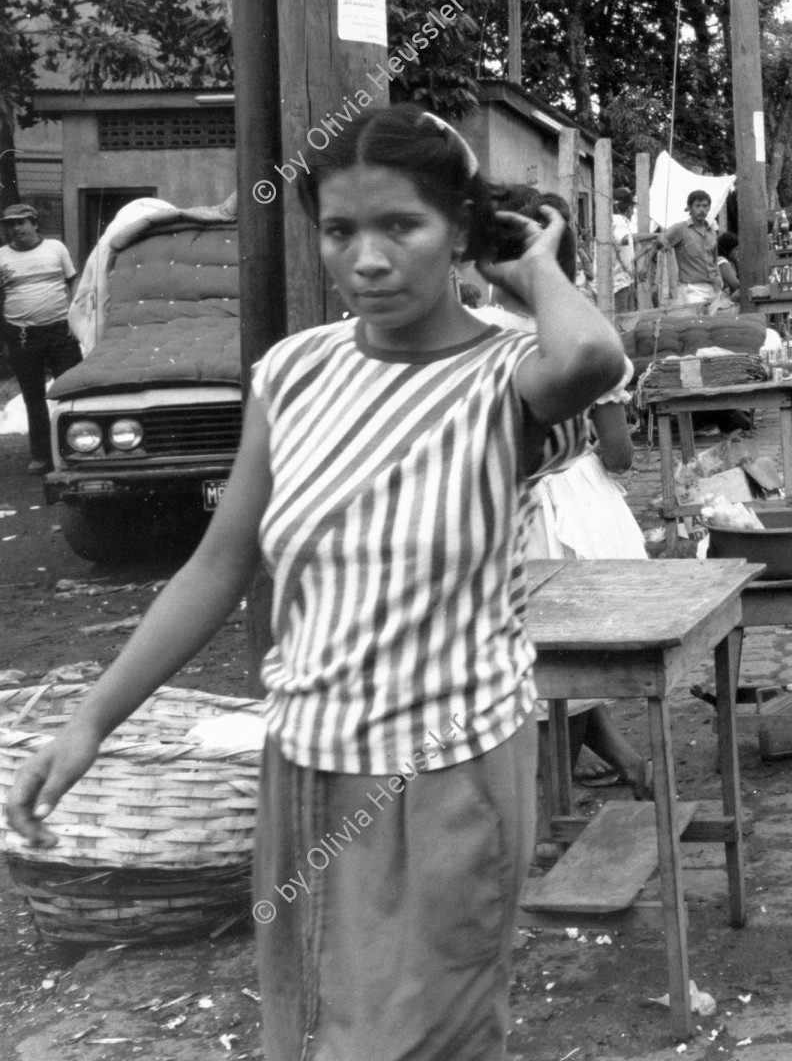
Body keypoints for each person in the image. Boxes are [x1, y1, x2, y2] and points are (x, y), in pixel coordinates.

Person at [5, 106, 628, 1059]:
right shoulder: (293, 373)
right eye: (340, 231)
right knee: (316, 1032)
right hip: (304, 764)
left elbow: (593, 356)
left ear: (460, 230)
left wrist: (534, 265)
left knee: (428, 1040)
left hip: (447, 776)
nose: (367, 259)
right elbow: (220, 562)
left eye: (402, 227)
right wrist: (91, 722)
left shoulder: (506, 376)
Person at [475, 185, 653, 803]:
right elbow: (620, 453)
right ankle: (552, 804)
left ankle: (572, 782)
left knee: (530, 662)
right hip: (570, 507)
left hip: (492, 514)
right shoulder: (578, 342)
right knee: (574, 654)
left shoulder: (474, 335)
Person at [0, 203, 82, 474]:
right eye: (10, 224)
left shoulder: (56, 249)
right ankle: (42, 456)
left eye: (21, 222)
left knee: (71, 392)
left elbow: (73, 282)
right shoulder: (1, 257)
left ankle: (77, 450)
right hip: (22, 336)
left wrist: (75, 316)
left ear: (35, 224)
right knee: (33, 397)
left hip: (60, 332)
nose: (16, 228)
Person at [658, 189, 724, 311]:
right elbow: (659, 241)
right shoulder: (680, 229)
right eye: (697, 206)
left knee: (711, 326)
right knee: (697, 325)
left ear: (709, 208)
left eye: (705, 206)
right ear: (689, 208)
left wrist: (720, 282)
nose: (702, 209)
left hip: (713, 287)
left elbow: (714, 260)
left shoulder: (711, 232)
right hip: (691, 289)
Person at [610, 186, 639, 311]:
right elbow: (622, 239)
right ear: (629, 209)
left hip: (622, 282)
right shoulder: (619, 221)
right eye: (633, 208)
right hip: (618, 286)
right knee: (622, 325)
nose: (633, 212)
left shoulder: (611, 220)